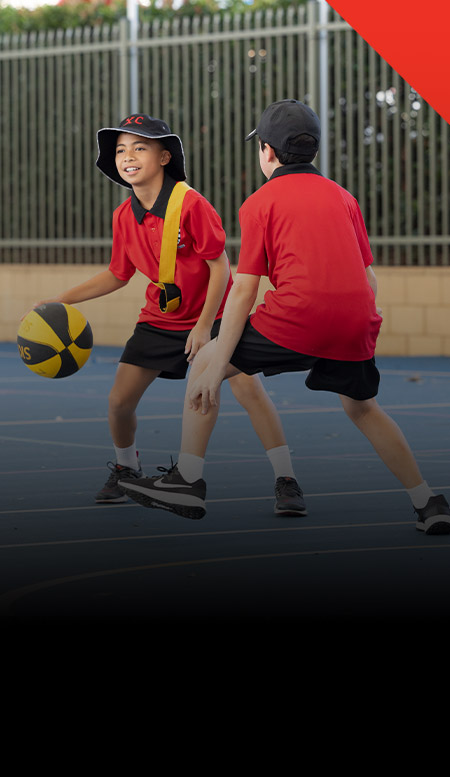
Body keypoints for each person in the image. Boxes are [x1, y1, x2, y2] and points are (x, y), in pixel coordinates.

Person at [118, 100, 450, 535]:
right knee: (364, 408)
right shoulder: (344, 197)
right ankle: (429, 502)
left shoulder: (260, 202)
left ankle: (188, 479)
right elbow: (368, 278)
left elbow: (244, 288)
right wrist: (366, 318)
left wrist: (218, 360)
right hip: (357, 320)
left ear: (268, 152)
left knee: (203, 362)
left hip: (298, 317)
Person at [33, 113, 305, 514]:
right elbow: (117, 274)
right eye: (121, 150)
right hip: (159, 320)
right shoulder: (124, 216)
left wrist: (203, 327)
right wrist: (62, 300)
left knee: (247, 389)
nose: (128, 155)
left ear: (164, 157)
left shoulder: (190, 204)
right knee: (119, 401)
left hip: (212, 318)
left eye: (140, 147)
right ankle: (126, 470)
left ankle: (286, 479)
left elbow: (221, 268)